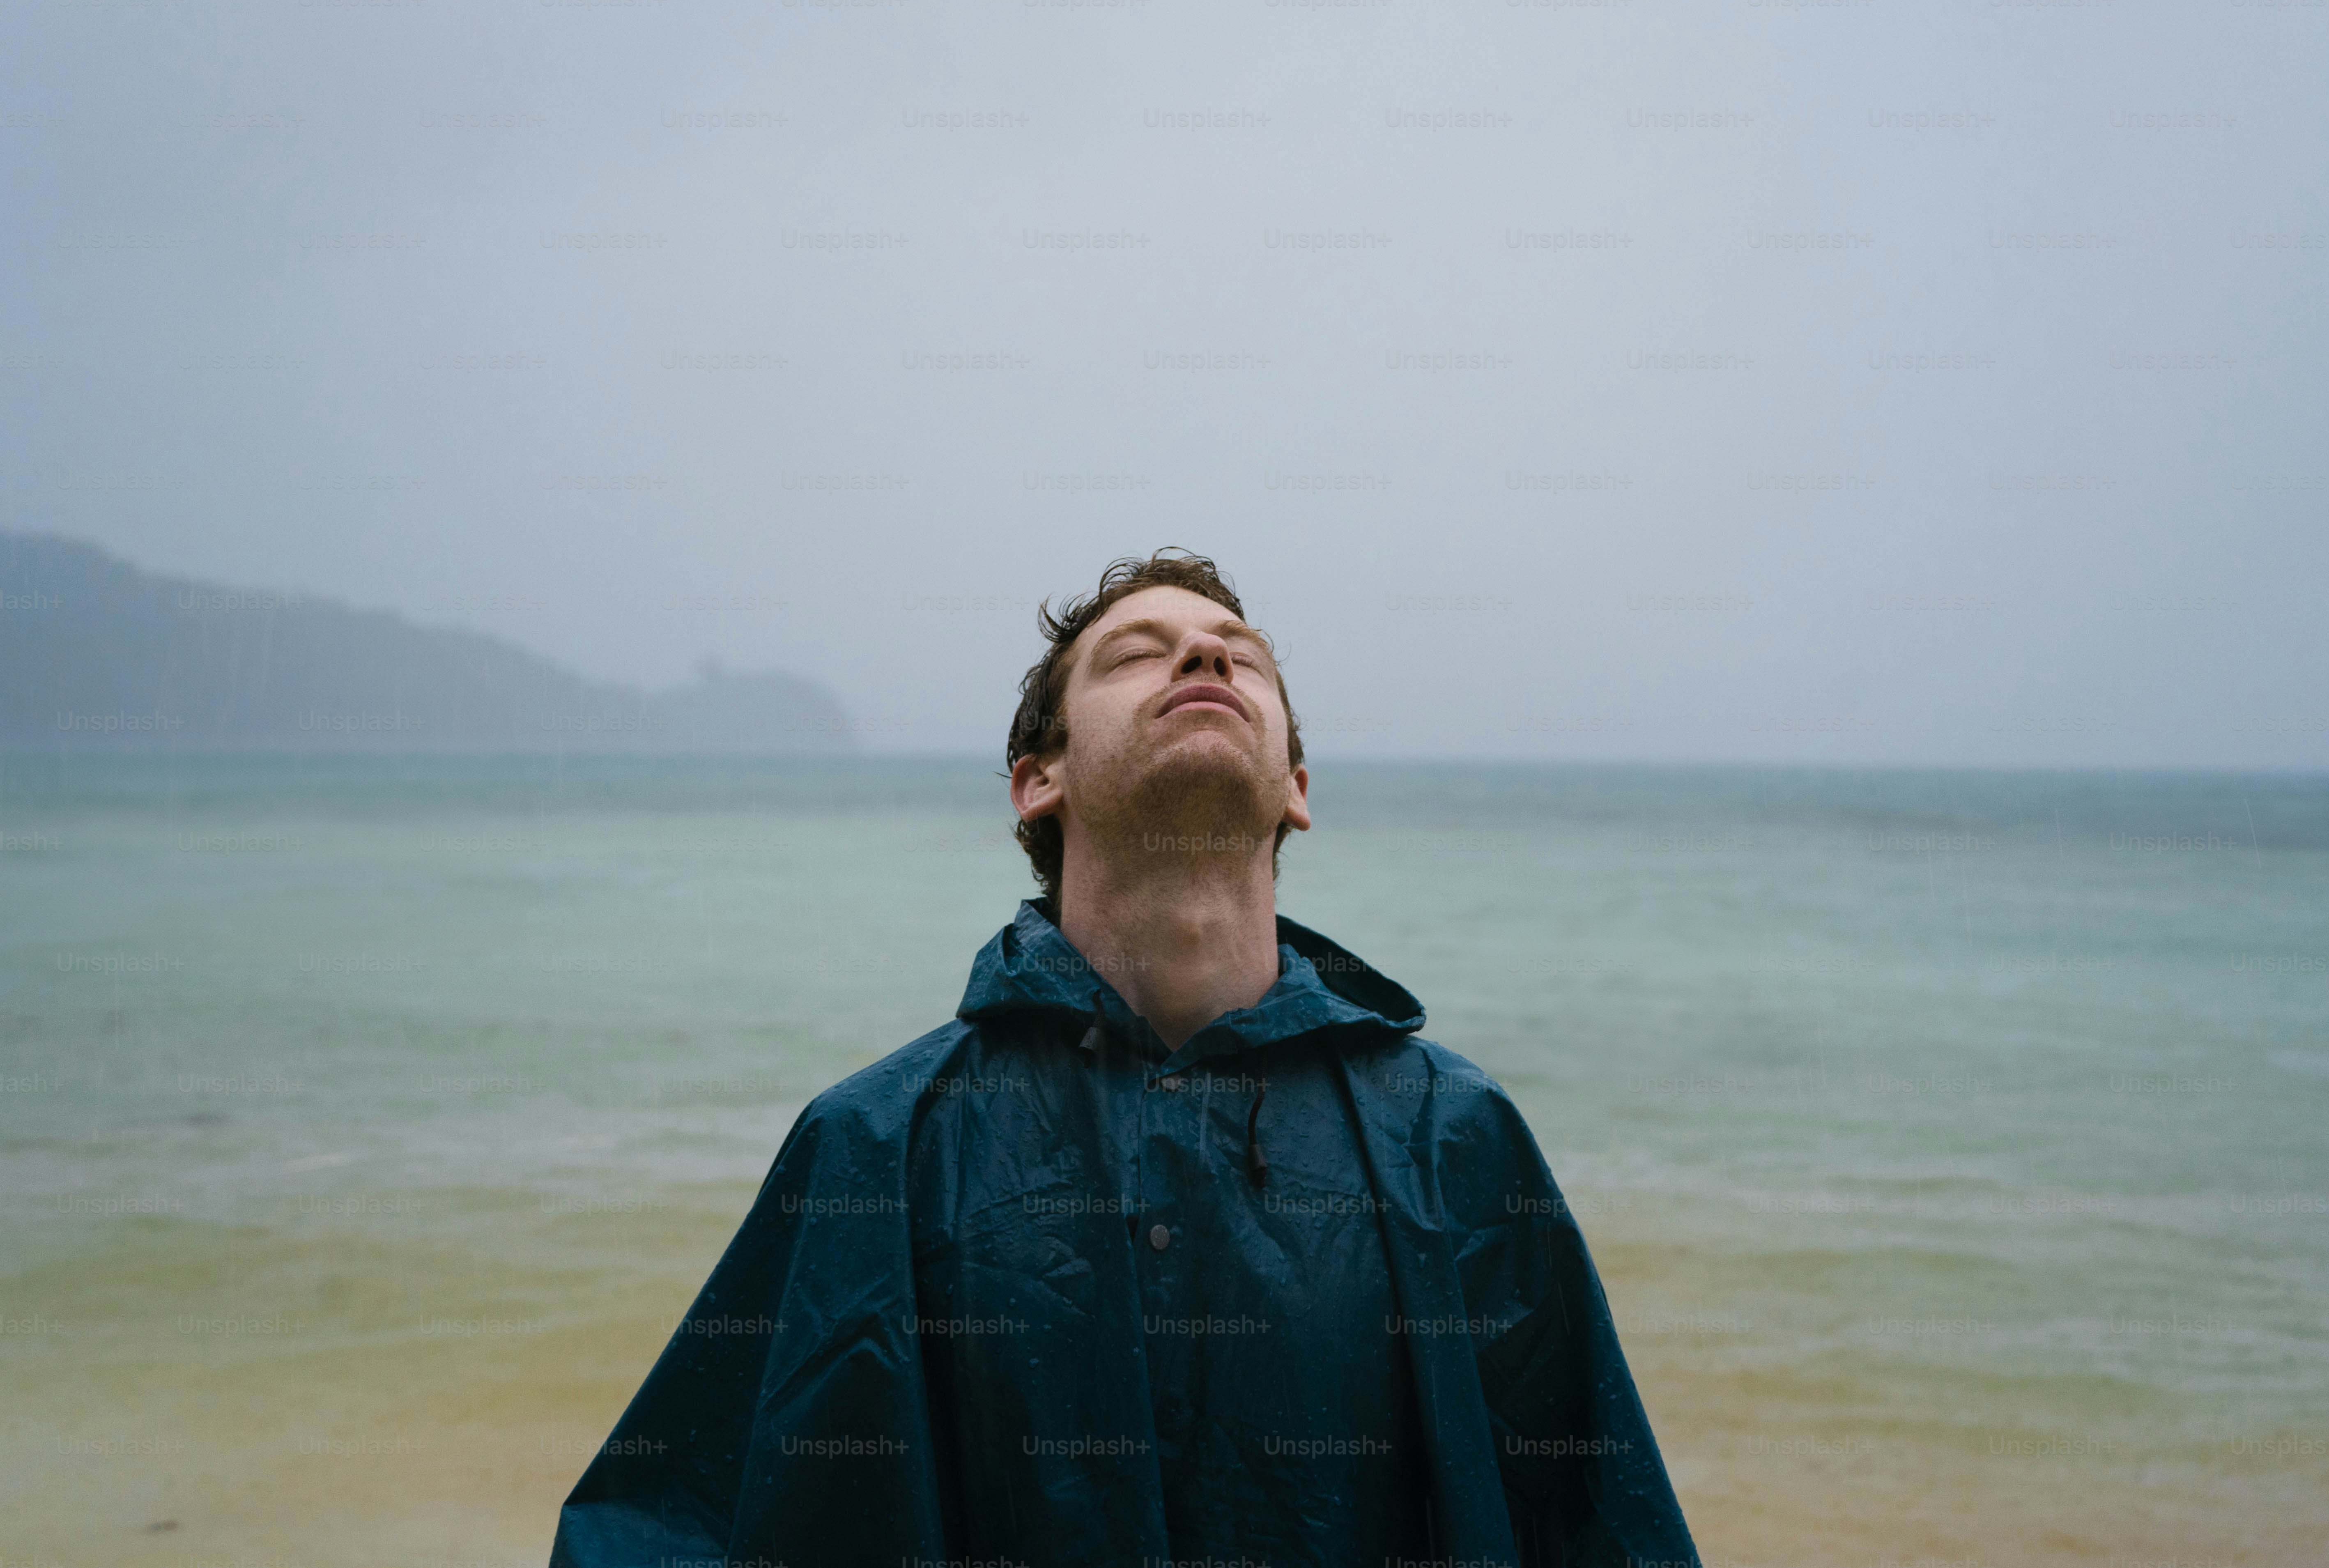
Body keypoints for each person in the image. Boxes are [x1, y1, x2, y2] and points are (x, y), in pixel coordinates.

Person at [551, 550, 1698, 1567]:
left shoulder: (1454, 1132)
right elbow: (668, 1524)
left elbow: (1604, 1524)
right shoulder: (879, 1141)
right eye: (1135, 655)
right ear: (1036, 780)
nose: (1203, 652)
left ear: (1296, 787)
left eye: (1238, 656)